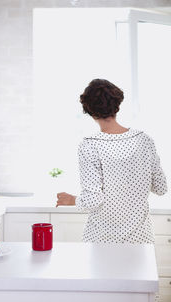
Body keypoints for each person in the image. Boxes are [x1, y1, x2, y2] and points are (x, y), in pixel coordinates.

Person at [56, 79, 167, 243]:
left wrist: (72, 200)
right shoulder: (145, 140)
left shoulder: (90, 145)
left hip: (102, 241)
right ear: (117, 106)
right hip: (141, 241)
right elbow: (161, 188)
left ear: (90, 111)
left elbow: (93, 200)